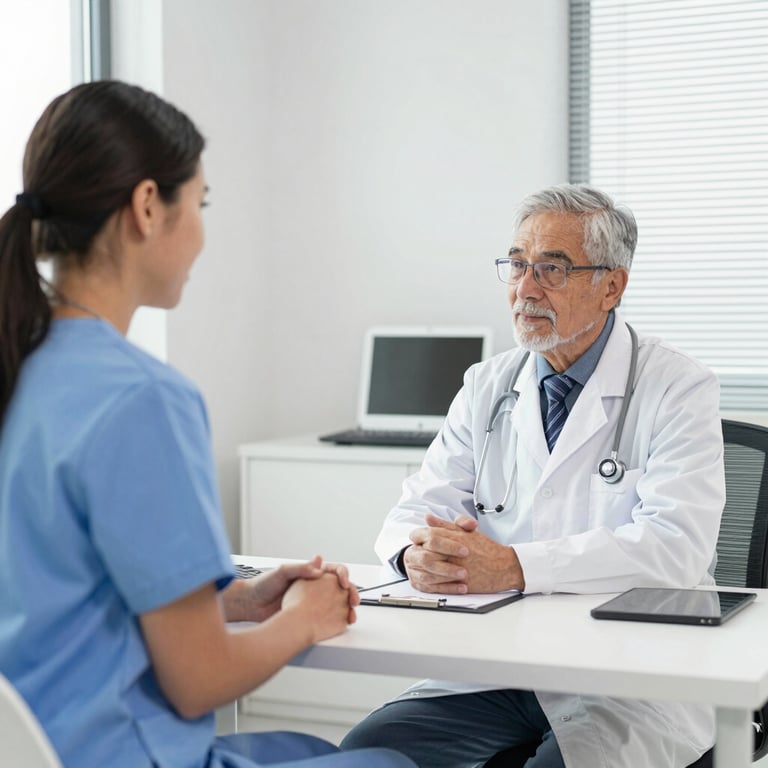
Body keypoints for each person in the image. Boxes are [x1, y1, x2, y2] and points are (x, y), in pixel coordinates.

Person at [0, 81, 415, 768]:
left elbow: (72, 610)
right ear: (146, 207)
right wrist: (303, 620)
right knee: (395, 764)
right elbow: (198, 684)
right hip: (119, 754)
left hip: (35, 747)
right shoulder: (141, 399)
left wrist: (246, 601)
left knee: (309, 747)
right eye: (200, 203)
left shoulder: (20, 367)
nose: (200, 230)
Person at [341, 184, 725, 768]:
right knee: (367, 754)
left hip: (626, 681)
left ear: (611, 286)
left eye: (552, 269)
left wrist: (516, 565)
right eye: (517, 265)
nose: (524, 289)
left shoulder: (678, 387)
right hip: (496, 670)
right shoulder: (487, 385)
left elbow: (677, 547)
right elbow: (416, 509)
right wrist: (415, 555)